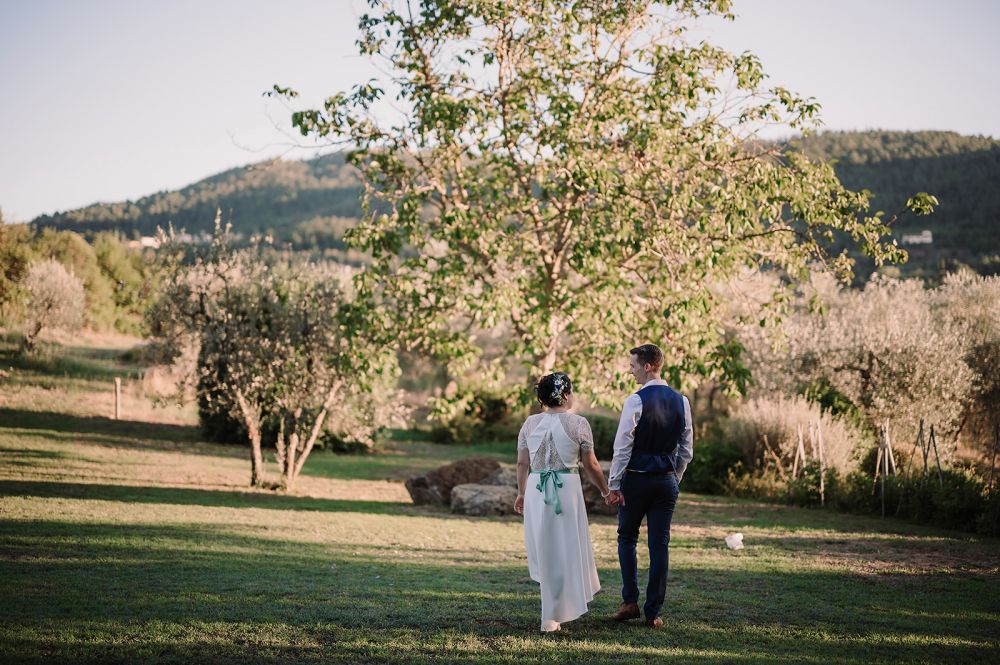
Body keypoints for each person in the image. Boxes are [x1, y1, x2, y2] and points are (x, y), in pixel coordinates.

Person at [514, 372, 612, 633]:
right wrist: (605, 490)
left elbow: (522, 463)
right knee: (564, 547)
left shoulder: (530, 423)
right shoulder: (578, 423)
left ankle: (553, 613)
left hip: (536, 488)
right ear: (566, 395)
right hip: (566, 488)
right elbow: (590, 465)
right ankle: (553, 614)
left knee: (546, 547)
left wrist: (522, 492)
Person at [606, 343, 694, 628]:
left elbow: (623, 446)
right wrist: (674, 477)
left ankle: (629, 602)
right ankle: (653, 612)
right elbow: (686, 448)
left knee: (627, 538)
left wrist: (615, 484)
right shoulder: (682, 401)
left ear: (647, 366)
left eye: (632, 365)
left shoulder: (636, 401)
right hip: (665, 482)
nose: (630, 371)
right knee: (660, 545)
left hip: (636, 479)